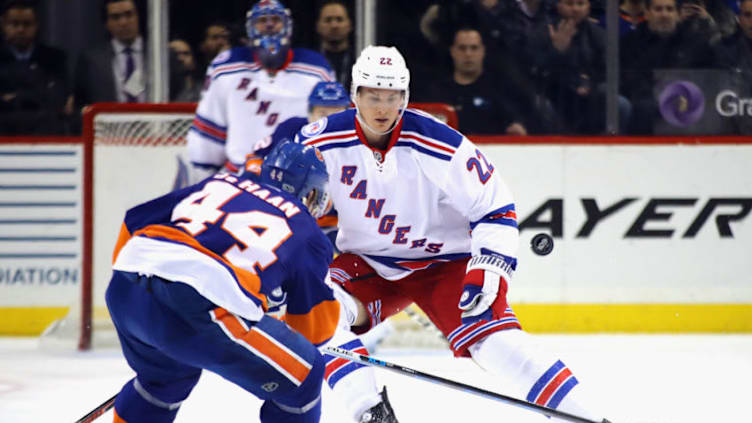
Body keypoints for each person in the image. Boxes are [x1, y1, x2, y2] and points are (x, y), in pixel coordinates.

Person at [296, 45, 612, 423]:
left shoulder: (437, 142)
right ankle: (370, 412)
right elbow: (278, 198)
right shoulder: (318, 140)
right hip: (369, 264)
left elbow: (495, 207)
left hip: (444, 264)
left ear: (405, 97)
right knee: (314, 308)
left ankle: (589, 418)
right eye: (373, 96)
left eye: (392, 97)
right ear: (355, 95)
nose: (382, 107)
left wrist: (490, 269)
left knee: (495, 344)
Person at [106, 141, 398, 423]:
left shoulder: (219, 183)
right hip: (198, 307)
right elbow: (315, 333)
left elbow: (134, 221)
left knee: (165, 380)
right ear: (312, 194)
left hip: (125, 287)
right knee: (304, 379)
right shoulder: (305, 228)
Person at [183, 0, 335, 186]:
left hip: (298, 180)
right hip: (240, 176)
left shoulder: (317, 69)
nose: (269, 26)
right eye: (262, 20)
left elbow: (330, 125)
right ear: (250, 28)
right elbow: (209, 135)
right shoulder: (225, 67)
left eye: (275, 20)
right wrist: (203, 178)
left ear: (288, 26)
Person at [620, 0, 717, 134]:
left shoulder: (695, 43)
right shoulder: (630, 43)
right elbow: (630, 81)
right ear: (647, 14)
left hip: (688, 106)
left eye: (669, 9)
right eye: (658, 9)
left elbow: (708, 79)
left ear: (678, 14)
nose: (664, 14)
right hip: (647, 110)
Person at [424, 27, 528, 135]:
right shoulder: (438, 92)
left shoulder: (501, 90)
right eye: (462, 48)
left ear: (483, 51)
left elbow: (516, 125)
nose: (468, 54)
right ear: (452, 51)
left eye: (474, 48)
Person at [0, 0, 72, 135]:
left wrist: (12, 98)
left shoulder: (54, 58)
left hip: (45, 133)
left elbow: (58, 99)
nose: (20, 30)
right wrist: (36, 96)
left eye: (26, 24)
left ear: (37, 25)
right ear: (3, 25)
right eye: (14, 24)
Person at [74, 0, 146, 108]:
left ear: (139, 17)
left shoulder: (163, 55)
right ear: (106, 24)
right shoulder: (91, 61)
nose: (123, 22)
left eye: (129, 14)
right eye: (115, 17)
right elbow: (80, 106)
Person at [315, 0, 354, 91]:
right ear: (318, 26)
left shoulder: (361, 61)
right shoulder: (310, 62)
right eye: (328, 20)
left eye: (339, 19)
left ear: (349, 25)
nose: (334, 25)